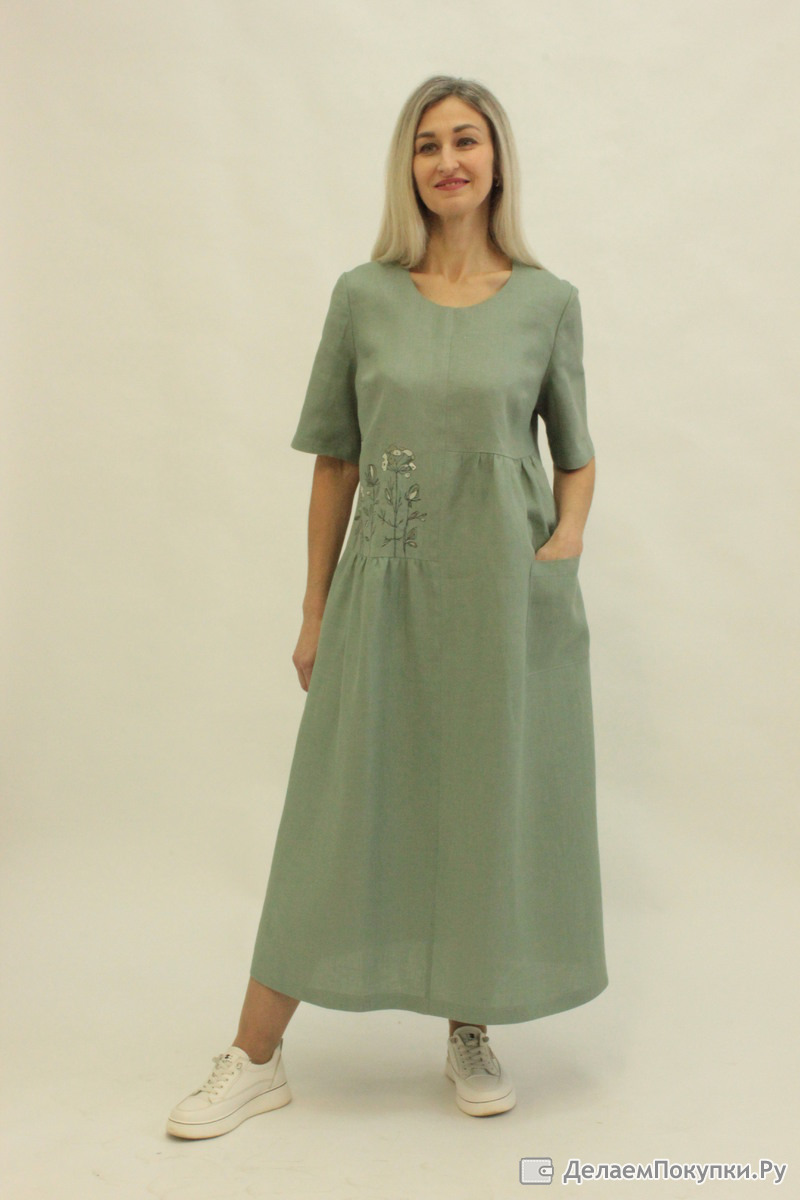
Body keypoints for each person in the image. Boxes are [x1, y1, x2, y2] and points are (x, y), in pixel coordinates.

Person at [166, 73, 608, 1139]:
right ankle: (255, 1054)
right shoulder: (362, 296)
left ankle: (470, 1025)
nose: (447, 159)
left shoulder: (547, 302)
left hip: (504, 599)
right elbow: (334, 460)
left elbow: (576, 454)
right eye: (427, 144)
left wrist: (561, 544)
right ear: (407, 167)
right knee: (335, 811)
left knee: (482, 803)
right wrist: (314, 610)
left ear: (496, 159)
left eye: (465, 139)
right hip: (385, 582)